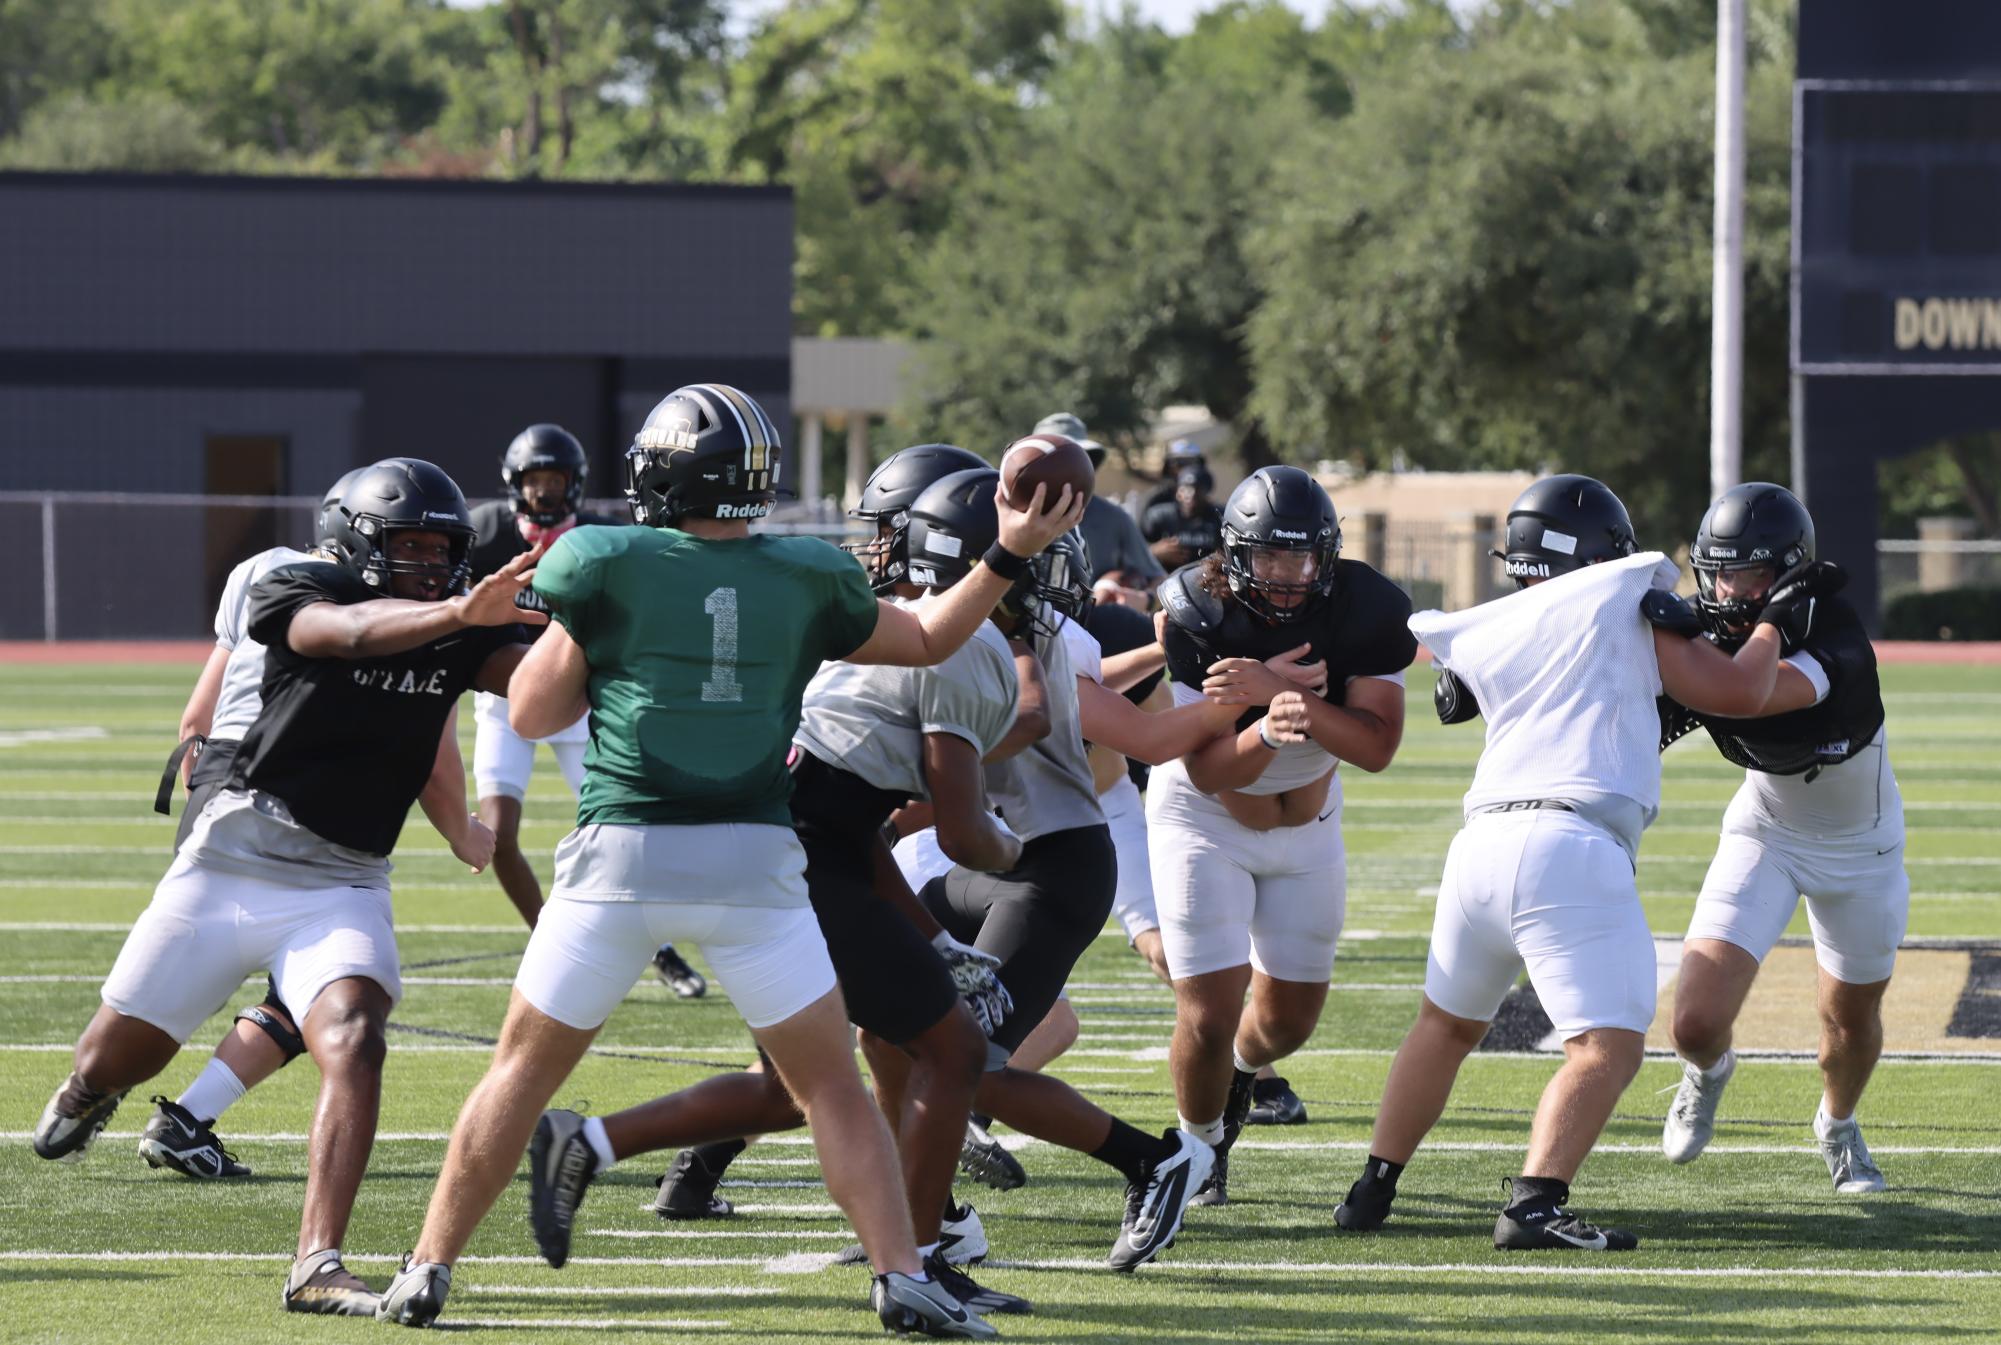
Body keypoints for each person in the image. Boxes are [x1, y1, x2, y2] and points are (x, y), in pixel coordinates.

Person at [377, 386, 1082, 1335]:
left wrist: (546, 629)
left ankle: (427, 1268)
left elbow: (539, 714)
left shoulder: (600, 556)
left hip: (621, 854)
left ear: (660, 476)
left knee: (521, 1070)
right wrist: (1007, 552)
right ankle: (901, 1275)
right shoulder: (805, 570)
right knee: (830, 1085)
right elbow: (927, 634)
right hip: (755, 861)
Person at [525, 441, 1044, 1318]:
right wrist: (1014, 856)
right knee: (944, 1051)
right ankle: (917, 1261)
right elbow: (950, 830)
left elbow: (857, 825)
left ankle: (588, 1140)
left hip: (805, 844)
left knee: (801, 1085)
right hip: (794, 855)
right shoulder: (953, 647)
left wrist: (929, 938)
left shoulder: (870, 620)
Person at [33, 458, 538, 1315]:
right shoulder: (292, 584)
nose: (427, 561)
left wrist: (602, 624)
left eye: (440, 547)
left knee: (354, 1036)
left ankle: (316, 1262)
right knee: (115, 1056)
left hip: (342, 880)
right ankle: (89, 1093)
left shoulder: (459, 626)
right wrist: (458, 612)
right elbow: (341, 636)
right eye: (407, 544)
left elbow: (525, 690)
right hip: (230, 864)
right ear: (353, 541)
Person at [1332, 473, 1834, 1251]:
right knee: (1607, 1046)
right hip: (1567, 844)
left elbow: (1460, 691)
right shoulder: (1624, 591)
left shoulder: (1499, 622)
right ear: (1606, 551)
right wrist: (1769, 619)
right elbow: (1735, 690)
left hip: (1478, 848)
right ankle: (1534, 1203)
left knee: (1442, 1025)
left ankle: (1371, 1188)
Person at [138, 469, 492, 1182]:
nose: (424, 562)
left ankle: (177, 1112)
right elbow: (431, 752)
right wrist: (464, 834)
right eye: (410, 543)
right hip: (287, 796)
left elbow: (197, 714)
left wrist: (202, 775)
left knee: (302, 986)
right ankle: (169, 1107)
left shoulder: (263, 570)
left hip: (223, 781)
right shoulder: (378, 606)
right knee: (328, 977)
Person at [1154, 466, 1416, 1206]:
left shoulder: (1366, 606)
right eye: (1268, 556)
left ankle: (1240, 1075)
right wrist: (1269, 730)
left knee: (1288, 1020)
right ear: (1233, 553)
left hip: (1309, 825)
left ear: (1326, 554)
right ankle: (1196, 1147)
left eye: (1301, 557)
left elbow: (1374, 747)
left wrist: (1279, 694)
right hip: (1206, 819)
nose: (1286, 574)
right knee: (1206, 1008)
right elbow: (1206, 770)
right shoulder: (1194, 609)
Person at [1658, 483, 1902, 1195]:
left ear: (1791, 573)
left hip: (1862, 851)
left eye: (1753, 574)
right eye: (1721, 571)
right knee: (1694, 1022)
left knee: (1847, 1022)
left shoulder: (1836, 639)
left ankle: (1837, 1124)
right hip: (1765, 829)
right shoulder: (1708, 626)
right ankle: (1706, 1075)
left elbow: (1747, 692)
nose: (1731, 590)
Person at [463, 425, 706, 994]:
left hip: (579, 702)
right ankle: (551, 942)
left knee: (626, 834)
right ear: (515, 483)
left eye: (556, 480)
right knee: (497, 837)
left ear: (575, 484)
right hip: (505, 702)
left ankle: (661, 950)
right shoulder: (486, 535)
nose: (546, 492)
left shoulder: (603, 539)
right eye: (536, 480)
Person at [1035, 411, 1164, 589]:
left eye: (1075, 458)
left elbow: (1157, 581)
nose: (1067, 468)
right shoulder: (1012, 517)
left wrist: (1140, 598)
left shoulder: (1114, 518)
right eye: (1056, 459)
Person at [1142, 466, 1225, 571]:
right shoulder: (1159, 517)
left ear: (1207, 492)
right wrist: (1154, 552)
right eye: (1186, 488)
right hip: (1165, 578)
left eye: (1198, 489)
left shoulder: (1220, 517)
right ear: (1178, 492)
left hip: (1208, 579)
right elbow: (1134, 551)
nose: (1191, 494)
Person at [1143, 439, 1208, 512]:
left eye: (1193, 464)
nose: (1188, 470)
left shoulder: (1203, 499)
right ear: (1170, 468)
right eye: (1182, 463)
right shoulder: (1157, 500)